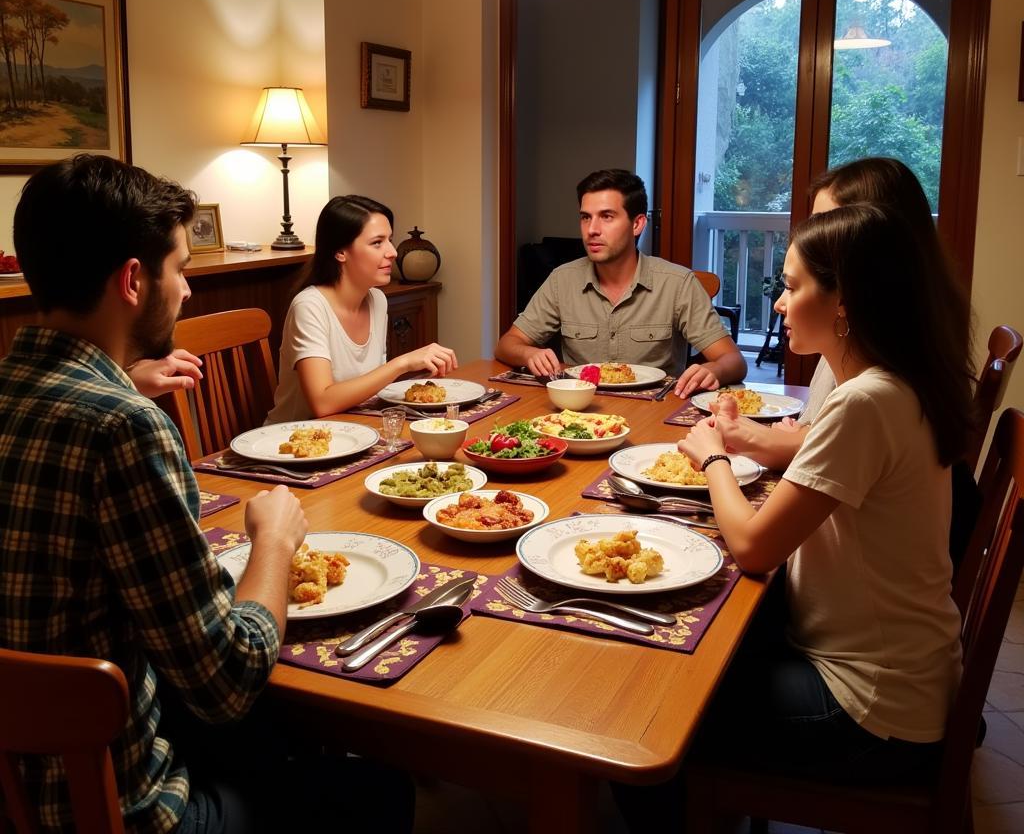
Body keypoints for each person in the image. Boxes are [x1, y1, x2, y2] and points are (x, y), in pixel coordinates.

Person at [0, 156, 412, 833]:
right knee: (377, 789)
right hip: (112, 807)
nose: (187, 290)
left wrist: (125, 381)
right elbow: (228, 681)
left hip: (15, 786)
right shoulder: (125, 429)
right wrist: (274, 540)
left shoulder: (34, 391)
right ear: (134, 280)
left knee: (273, 742)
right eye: (181, 269)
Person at [675, 204, 973, 784]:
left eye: (791, 286)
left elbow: (755, 548)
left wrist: (713, 455)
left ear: (845, 301)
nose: (780, 303)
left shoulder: (866, 402)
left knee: (662, 712)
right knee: (710, 646)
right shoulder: (893, 383)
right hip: (901, 674)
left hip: (870, 703)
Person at [712, 156, 972, 471]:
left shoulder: (875, 363)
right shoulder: (876, 326)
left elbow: (831, 441)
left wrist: (722, 450)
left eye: (829, 224)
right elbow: (818, 436)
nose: (813, 238)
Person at [494, 169, 746, 398]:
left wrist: (713, 369)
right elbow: (507, 345)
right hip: (579, 413)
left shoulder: (678, 284)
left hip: (653, 411)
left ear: (637, 224)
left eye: (606, 216)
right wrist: (529, 354)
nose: (592, 229)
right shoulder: (562, 280)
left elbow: (733, 361)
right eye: (585, 217)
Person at [266, 194, 458, 423]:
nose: (393, 252)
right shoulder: (310, 307)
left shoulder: (377, 299)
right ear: (340, 252)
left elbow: (368, 386)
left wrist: (417, 376)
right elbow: (322, 402)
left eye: (390, 239)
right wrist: (402, 363)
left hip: (352, 430)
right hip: (294, 443)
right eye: (377, 243)